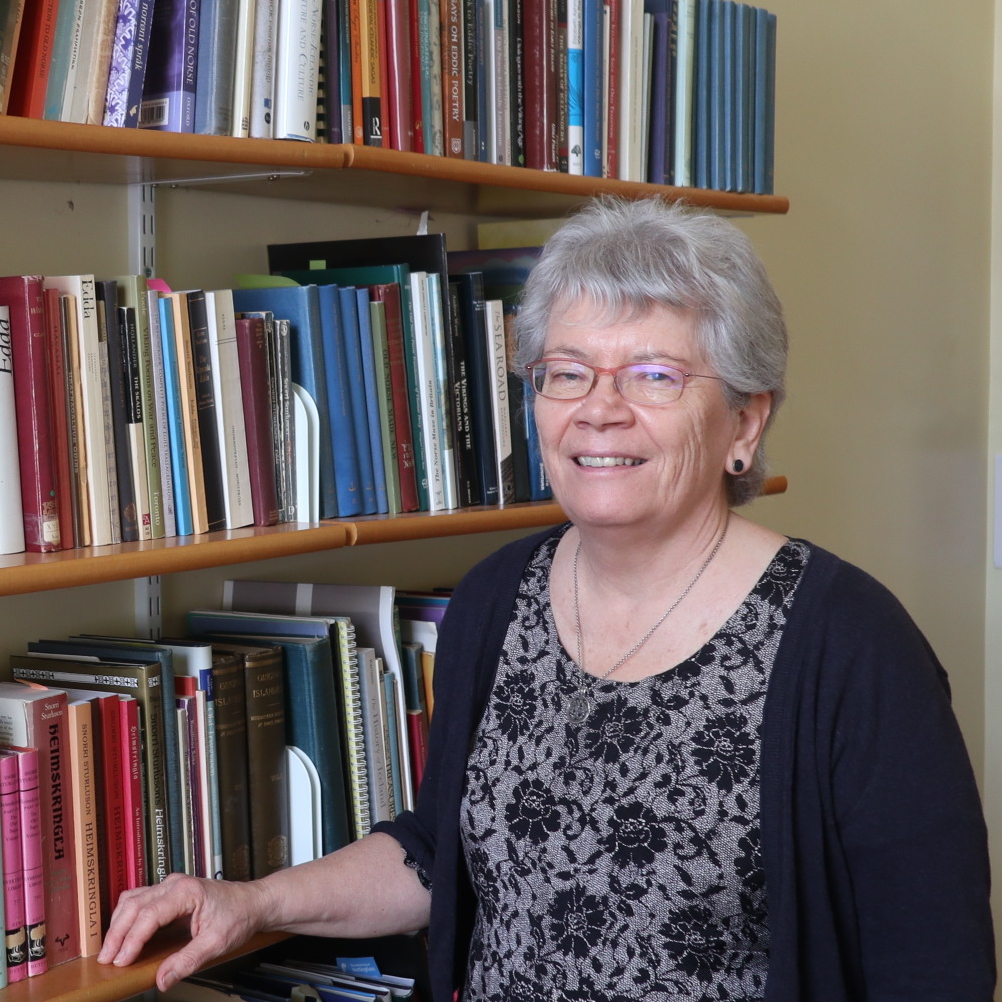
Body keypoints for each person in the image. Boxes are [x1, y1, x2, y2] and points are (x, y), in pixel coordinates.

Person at [98, 197, 995, 1001]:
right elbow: (437, 853)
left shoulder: (850, 643)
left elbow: (935, 968)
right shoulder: (496, 599)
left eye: (654, 374)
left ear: (745, 422)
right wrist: (251, 902)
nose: (600, 409)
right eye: (568, 371)